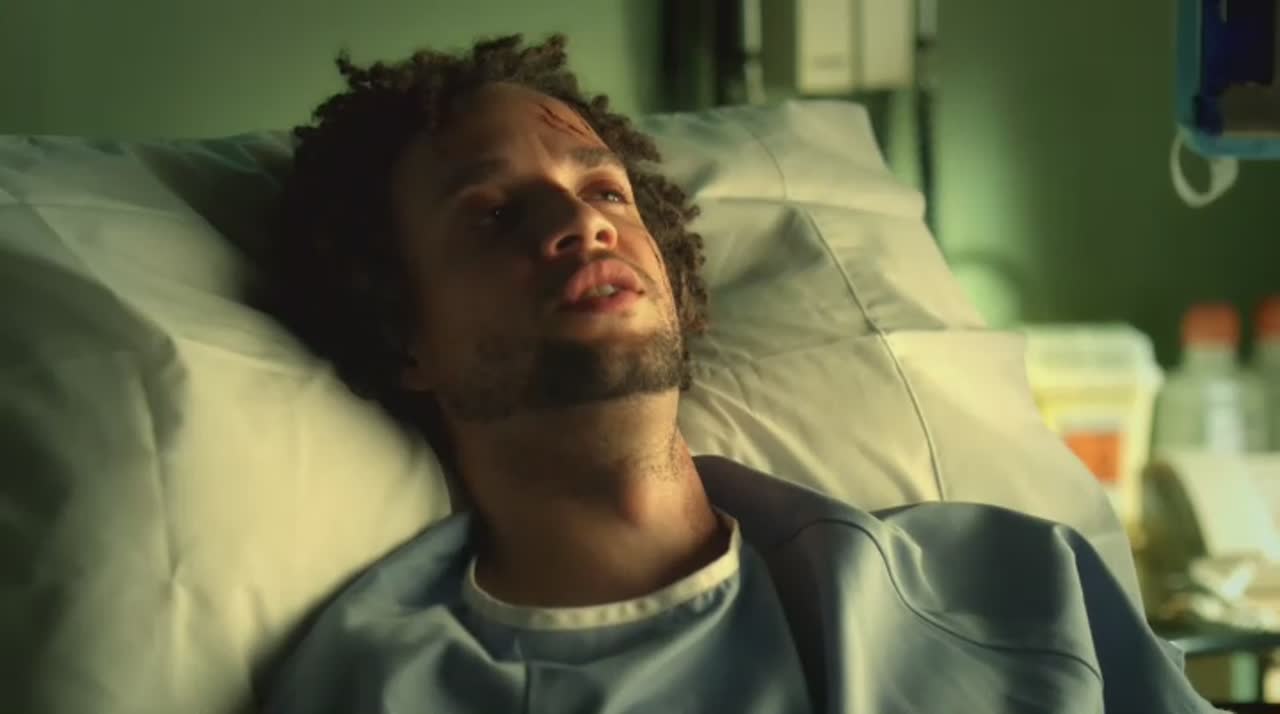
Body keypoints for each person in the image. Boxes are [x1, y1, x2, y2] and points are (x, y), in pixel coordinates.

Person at [262, 33, 1224, 713]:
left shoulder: (1018, 583)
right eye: (492, 214)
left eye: (604, 190)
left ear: (674, 276)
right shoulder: (386, 686)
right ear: (402, 334)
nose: (582, 223)